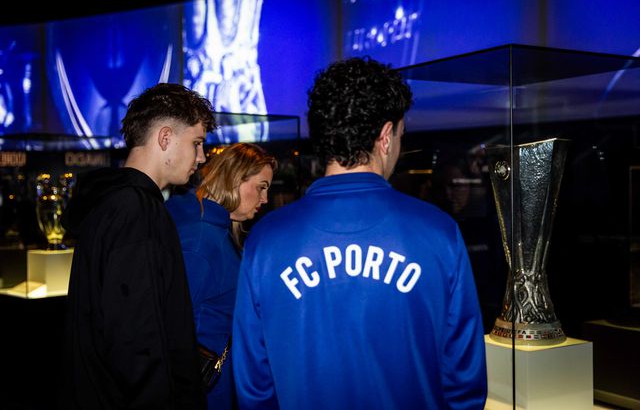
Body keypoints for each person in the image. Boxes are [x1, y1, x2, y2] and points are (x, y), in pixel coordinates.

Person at [232, 57, 488, 410]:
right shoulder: (439, 234)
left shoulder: (266, 241)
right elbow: (464, 384)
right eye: (400, 135)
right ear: (385, 136)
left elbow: (254, 387)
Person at [60, 83, 216, 409]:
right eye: (197, 143)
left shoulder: (114, 203)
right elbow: (136, 341)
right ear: (165, 138)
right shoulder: (135, 210)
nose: (202, 157)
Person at [165, 142, 276, 410]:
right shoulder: (202, 241)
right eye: (261, 187)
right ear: (235, 178)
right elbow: (169, 330)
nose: (265, 199)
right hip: (201, 392)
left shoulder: (212, 231)